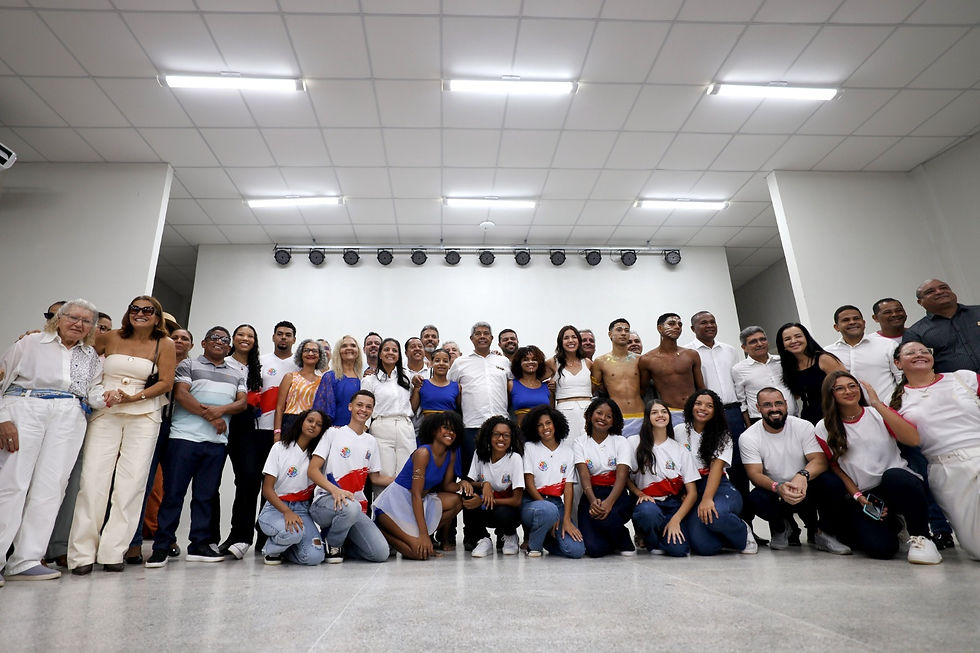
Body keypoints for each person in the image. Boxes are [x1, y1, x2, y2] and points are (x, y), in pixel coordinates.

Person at [69, 296, 176, 575]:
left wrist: (135, 397)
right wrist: (36, 335)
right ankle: (81, 554)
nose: (140, 313)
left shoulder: (165, 344)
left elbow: (166, 382)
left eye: (147, 310)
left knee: (131, 483)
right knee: (92, 481)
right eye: (135, 309)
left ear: (157, 316)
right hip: (107, 412)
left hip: (144, 414)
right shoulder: (110, 337)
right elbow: (75, 351)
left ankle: (113, 551)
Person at [0, 300, 105, 583]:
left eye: (86, 321)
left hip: (69, 415)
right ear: (58, 318)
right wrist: (2, 418)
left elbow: (92, 392)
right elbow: (1, 379)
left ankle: (26, 560)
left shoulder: (91, 356)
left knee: (51, 486)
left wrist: (106, 396)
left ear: (91, 328)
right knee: (12, 483)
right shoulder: (31, 342)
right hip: (26, 407)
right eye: (73, 317)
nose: (78, 324)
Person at [145, 327, 247, 568]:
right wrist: (212, 417)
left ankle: (199, 545)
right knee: (173, 494)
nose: (220, 342)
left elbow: (242, 403)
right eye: (214, 338)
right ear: (203, 342)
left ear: (229, 346)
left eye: (225, 339)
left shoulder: (237, 373)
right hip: (183, 439)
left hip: (216, 444)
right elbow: (181, 395)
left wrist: (219, 412)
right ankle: (161, 546)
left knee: (205, 496)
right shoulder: (188, 365)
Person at [815, 371, 940, 563]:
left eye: (852, 386)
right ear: (830, 394)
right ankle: (895, 524)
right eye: (839, 388)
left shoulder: (878, 413)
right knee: (882, 550)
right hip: (867, 496)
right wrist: (858, 496)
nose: (848, 391)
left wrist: (877, 404)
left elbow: (913, 439)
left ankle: (922, 537)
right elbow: (836, 468)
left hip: (896, 483)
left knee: (894, 476)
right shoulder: (823, 427)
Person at [890, 341, 980, 560]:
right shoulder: (895, 403)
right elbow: (908, 439)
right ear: (898, 363)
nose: (919, 354)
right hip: (946, 469)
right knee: (976, 547)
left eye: (924, 351)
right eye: (911, 352)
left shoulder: (963, 378)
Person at [739, 387, 850, 554]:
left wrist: (802, 476)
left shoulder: (803, 426)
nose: (774, 409)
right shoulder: (749, 437)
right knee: (756, 498)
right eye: (767, 405)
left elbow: (819, 461)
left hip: (805, 487)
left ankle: (823, 533)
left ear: (786, 404)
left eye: (778, 403)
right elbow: (754, 474)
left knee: (832, 483)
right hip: (776, 491)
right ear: (758, 408)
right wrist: (778, 487)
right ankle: (781, 527)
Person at [125, 327, 195, 564]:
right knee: (142, 485)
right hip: (152, 425)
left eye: (184, 339)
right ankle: (133, 543)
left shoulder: (195, 368)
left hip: (181, 431)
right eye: (175, 338)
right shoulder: (153, 364)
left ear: (192, 345)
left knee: (172, 489)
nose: (179, 341)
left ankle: (166, 539)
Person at [309, 390, 393, 563]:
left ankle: (345, 543)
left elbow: (376, 478)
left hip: (355, 508)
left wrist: (405, 480)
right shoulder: (333, 433)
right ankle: (333, 544)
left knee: (380, 553)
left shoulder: (371, 441)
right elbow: (312, 470)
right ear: (350, 407)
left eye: (368, 407)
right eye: (359, 405)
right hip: (325, 502)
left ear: (372, 411)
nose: (363, 410)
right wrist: (335, 490)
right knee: (351, 507)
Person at [447, 322, 511, 549]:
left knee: (504, 479)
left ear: (492, 338)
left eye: (486, 333)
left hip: (501, 427)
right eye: (478, 334)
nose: (482, 336)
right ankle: (473, 533)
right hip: (471, 427)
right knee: (470, 481)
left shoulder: (504, 362)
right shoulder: (460, 363)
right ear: (471, 338)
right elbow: (451, 392)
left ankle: (505, 533)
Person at [373, 412, 464, 560]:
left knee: (457, 501)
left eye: (454, 430)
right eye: (445, 428)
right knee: (419, 554)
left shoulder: (450, 454)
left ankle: (420, 539)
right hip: (394, 506)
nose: (450, 433)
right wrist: (423, 535)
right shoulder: (423, 453)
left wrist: (464, 484)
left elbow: (447, 486)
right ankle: (382, 531)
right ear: (433, 430)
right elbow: (415, 493)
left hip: (419, 501)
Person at [677, 390, 757, 555]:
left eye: (709, 406)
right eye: (698, 403)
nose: (702, 408)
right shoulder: (679, 431)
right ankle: (723, 535)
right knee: (705, 547)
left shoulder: (723, 434)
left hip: (718, 486)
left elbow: (716, 468)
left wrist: (707, 499)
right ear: (691, 406)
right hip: (692, 488)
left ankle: (743, 532)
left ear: (716, 411)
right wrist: (683, 491)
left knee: (715, 515)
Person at [214, 324, 264, 560]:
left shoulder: (257, 367)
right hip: (219, 422)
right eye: (241, 335)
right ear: (233, 339)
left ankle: (241, 537)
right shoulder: (222, 361)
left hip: (245, 427)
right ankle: (209, 539)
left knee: (248, 480)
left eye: (250, 336)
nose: (245, 338)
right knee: (211, 482)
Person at [627, 400, 699, 557]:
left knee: (679, 551)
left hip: (672, 505)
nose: (660, 415)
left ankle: (662, 533)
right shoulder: (633, 443)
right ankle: (650, 539)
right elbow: (624, 477)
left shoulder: (680, 449)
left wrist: (676, 520)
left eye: (664, 412)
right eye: (654, 412)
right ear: (647, 418)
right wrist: (639, 493)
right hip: (648, 503)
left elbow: (692, 493)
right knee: (648, 513)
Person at [254, 409, 326, 566]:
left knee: (315, 557)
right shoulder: (279, 448)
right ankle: (271, 550)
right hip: (276, 508)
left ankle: (286, 549)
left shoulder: (317, 456)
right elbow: (267, 489)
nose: (313, 425)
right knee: (293, 533)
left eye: (319, 424)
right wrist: (287, 511)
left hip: (302, 510)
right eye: (310, 421)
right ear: (301, 422)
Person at [519, 405, 584, 558]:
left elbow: (568, 488)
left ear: (556, 423)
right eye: (540, 425)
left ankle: (547, 539)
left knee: (576, 551)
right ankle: (534, 547)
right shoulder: (529, 448)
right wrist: (551, 513)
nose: (545, 428)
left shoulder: (568, 451)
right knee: (547, 511)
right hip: (532, 502)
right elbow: (529, 484)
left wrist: (566, 519)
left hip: (556, 503)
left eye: (548, 423)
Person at [574, 397, 635, 557]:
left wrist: (609, 502)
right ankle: (611, 539)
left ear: (614, 421)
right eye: (599, 413)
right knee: (594, 550)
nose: (603, 418)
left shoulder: (621, 441)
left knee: (608, 517)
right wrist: (593, 501)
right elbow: (583, 475)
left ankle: (622, 538)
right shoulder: (580, 442)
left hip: (616, 494)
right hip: (591, 494)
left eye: (609, 416)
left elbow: (622, 475)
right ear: (590, 415)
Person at [462, 416, 525, 557]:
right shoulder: (479, 453)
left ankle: (510, 535)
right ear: (489, 436)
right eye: (496, 434)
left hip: (508, 511)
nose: (501, 439)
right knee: (467, 493)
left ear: (512, 438)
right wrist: (485, 484)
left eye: (506, 435)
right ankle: (483, 539)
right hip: (487, 511)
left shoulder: (515, 458)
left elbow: (517, 500)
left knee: (503, 512)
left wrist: (484, 501)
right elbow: (470, 481)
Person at [362, 338, 414, 480]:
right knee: (384, 474)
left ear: (399, 355)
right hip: (381, 426)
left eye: (394, 350)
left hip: (405, 426)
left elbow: (411, 402)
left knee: (407, 474)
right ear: (380, 354)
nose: (390, 353)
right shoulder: (369, 380)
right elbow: (365, 408)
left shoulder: (407, 376)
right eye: (386, 350)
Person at [639, 313, 705, 425]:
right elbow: (643, 391)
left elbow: (701, 388)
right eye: (671, 323)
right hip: (669, 413)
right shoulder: (648, 359)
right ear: (660, 328)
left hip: (694, 410)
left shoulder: (691, 355)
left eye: (680, 324)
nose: (677, 327)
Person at [824, 305, 901, 401]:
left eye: (856, 318)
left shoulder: (888, 345)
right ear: (836, 327)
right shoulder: (828, 353)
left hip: (887, 407)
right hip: (848, 409)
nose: (852, 322)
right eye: (846, 320)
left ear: (864, 323)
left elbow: (901, 378)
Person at [903, 279, 980, 373]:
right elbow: (916, 367)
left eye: (944, 288)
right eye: (930, 292)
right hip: (953, 382)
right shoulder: (916, 333)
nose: (939, 292)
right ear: (920, 302)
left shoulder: (978, 312)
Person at [776, 322, 846, 424]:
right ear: (783, 345)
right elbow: (797, 395)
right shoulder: (789, 367)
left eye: (798, 336)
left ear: (806, 338)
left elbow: (847, 386)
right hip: (809, 419)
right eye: (787, 339)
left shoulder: (824, 359)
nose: (794, 341)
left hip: (835, 415)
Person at [591, 318, 644, 437]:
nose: (623, 333)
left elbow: (645, 386)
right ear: (610, 334)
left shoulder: (639, 360)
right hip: (616, 416)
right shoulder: (601, 362)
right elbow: (594, 390)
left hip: (640, 414)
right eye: (619, 330)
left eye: (626, 330)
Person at [733, 326, 797, 424]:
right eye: (753, 342)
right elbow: (741, 402)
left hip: (792, 418)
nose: (759, 344)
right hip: (761, 422)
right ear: (744, 347)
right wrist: (749, 425)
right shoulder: (739, 369)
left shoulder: (781, 361)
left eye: (762, 339)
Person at [545, 325, 592, 442]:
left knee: (589, 444)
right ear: (560, 342)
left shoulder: (588, 363)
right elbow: (534, 380)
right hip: (564, 412)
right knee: (566, 445)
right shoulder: (553, 362)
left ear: (579, 340)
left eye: (574, 337)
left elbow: (597, 386)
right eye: (566, 338)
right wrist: (549, 387)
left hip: (588, 411)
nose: (571, 341)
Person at [274, 339, 329, 437]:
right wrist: (277, 433)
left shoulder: (323, 381)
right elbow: (279, 408)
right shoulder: (290, 377)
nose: (310, 353)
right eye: (306, 350)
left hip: (312, 426)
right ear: (300, 354)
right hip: (290, 423)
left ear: (320, 356)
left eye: (314, 351)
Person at [315, 335, 362, 428]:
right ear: (338, 351)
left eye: (353, 345)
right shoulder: (330, 377)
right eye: (344, 346)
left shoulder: (363, 379)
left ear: (358, 351)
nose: (349, 348)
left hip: (359, 430)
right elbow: (322, 410)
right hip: (336, 429)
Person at [508, 345, 550, 426]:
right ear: (519, 363)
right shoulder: (511, 385)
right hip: (521, 431)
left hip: (544, 431)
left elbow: (552, 413)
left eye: (534, 359)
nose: (530, 362)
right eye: (525, 360)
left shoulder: (547, 387)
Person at [411, 348, 460, 417]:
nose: (441, 363)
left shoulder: (456, 387)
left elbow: (460, 411)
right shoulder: (421, 384)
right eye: (437, 361)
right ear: (431, 363)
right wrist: (416, 387)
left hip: (449, 422)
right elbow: (412, 409)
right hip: (428, 423)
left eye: (445, 361)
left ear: (449, 364)